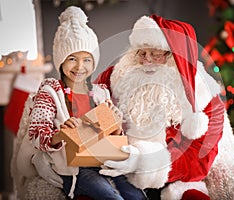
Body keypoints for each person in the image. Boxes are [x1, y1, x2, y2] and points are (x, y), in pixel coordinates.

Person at [95, 15, 234, 200]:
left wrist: (142, 163)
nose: (146, 61)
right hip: (110, 168)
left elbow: (197, 162)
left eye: (156, 54)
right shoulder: (115, 77)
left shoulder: (204, 98)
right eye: (142, 52)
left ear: (175, 57)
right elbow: (89, 112)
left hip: (170, 182)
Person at [23, 6, 146, 200]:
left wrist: (114, 124)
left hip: (104, 159)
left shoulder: (99, 93)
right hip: (74, 168)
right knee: (111, 196)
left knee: (136, 195)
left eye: (87, 60)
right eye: (72, 59)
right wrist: (61, 133)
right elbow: (36, 135)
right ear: (61, 61)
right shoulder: (50, 91)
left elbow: (112, 137)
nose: (80, 67)